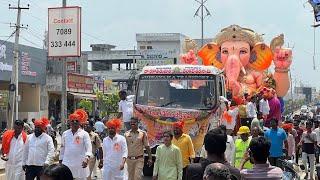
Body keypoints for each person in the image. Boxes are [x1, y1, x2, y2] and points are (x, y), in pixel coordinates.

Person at [59, 109, 92, 180]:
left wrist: (87, 158)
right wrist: (60, 160)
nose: (74, 122)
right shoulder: (65, 133)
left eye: (76, 121)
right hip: (67, 162)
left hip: (80, 163)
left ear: (80, 122)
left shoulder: (84, 134)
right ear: (69, 122)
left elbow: (89, 148)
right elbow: (62, 148)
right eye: (72, 121)